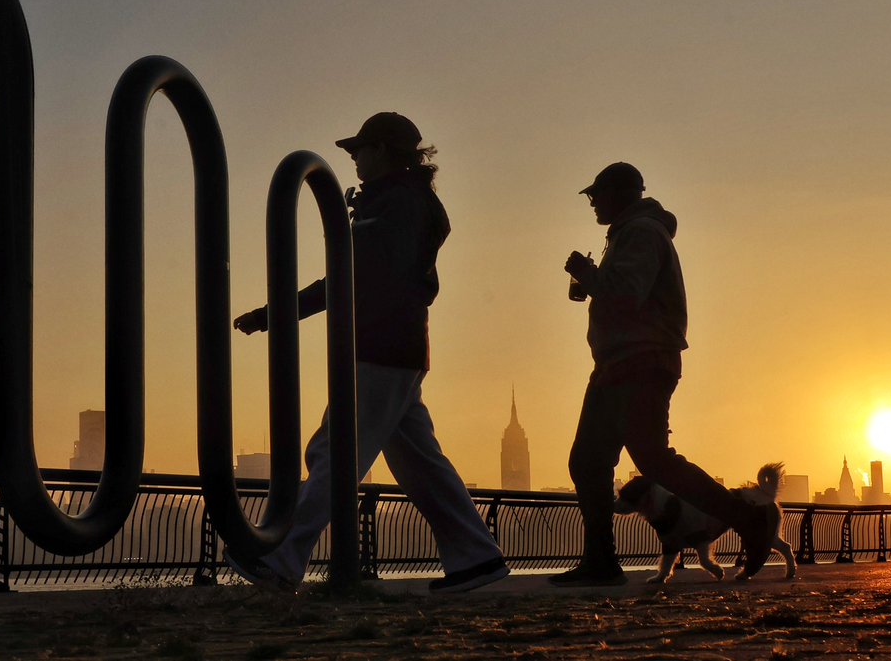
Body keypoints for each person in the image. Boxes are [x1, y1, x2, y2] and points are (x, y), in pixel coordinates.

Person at [227, 112, 509, 593]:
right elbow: (378, 276)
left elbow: (352, 278)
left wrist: (274, 314)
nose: (353, 158)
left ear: (382, 150)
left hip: (381, 346)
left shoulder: (395, 205)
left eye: (360, 149)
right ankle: (476, 557)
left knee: (335, 451)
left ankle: (280, 557)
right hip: (396, 347)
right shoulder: (400, 203)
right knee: (420, 464)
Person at [552, 161, 779, 587]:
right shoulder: (629, 234)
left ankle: (748, 519)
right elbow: (622, 292)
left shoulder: (641, 233)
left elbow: (625, 295)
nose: (592, 203)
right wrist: (593, 280)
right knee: (590, 462)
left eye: (596, 195)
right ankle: (601, 561)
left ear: (620, 193)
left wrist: (588, 275)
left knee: (649, 460)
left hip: (639, 361)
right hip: (619, 363)